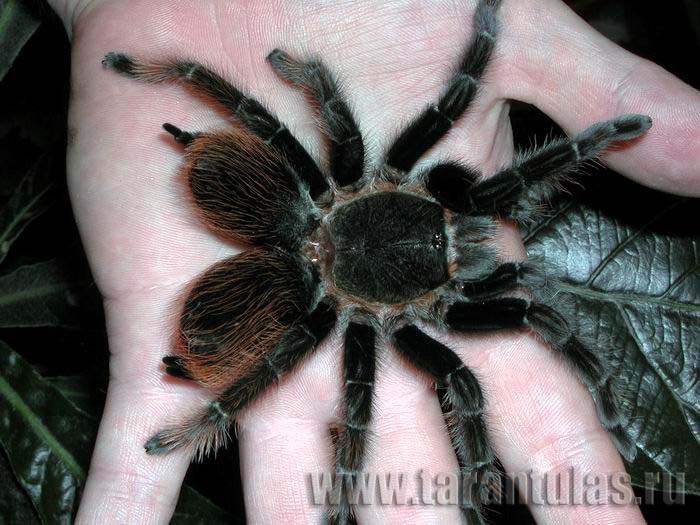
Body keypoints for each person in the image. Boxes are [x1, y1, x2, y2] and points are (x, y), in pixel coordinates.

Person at [47, 0, 700, 522]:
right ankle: (207, 404)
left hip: (290, 225)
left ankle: (208, 405)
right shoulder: (402, 275)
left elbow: (420, 105)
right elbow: (449, 98)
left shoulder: (375, 178)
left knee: (449, 381)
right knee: (455, 377)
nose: (471, 234)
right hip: (294, 244)